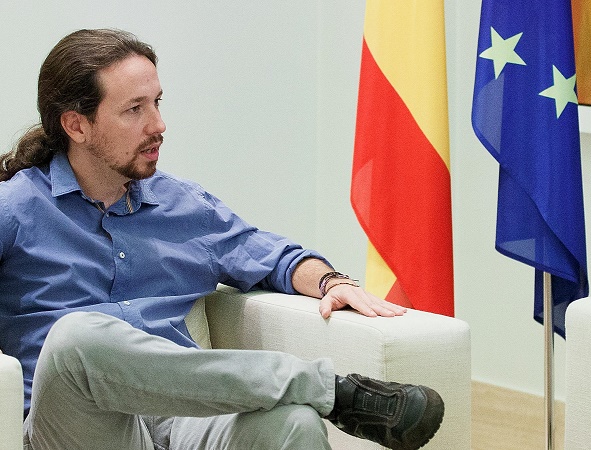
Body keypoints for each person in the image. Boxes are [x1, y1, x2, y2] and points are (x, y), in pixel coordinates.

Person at [0, 28, 444, 450]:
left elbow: (275, 257)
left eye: (157, 102)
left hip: (181, 418)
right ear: (77, 126)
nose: (159, 124)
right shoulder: (16, 207)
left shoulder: (184, 206)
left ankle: (320, 396)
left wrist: (331, 281)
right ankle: (329, 389)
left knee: (294, 423)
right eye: (134, 109)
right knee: (76, 338)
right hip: (77, 427)